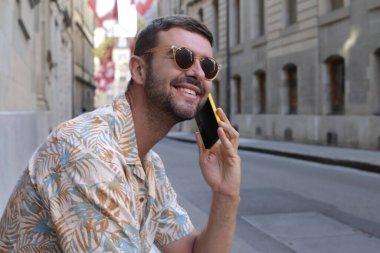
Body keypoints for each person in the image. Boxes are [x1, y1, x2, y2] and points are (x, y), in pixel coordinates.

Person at [0, 15, 241, 253]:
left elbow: (191, 251)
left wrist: (226, 194)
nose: (198, 73)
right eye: (183, 57)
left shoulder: (148, 163)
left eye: (208, 66)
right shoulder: (89, 151)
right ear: (138, 70)